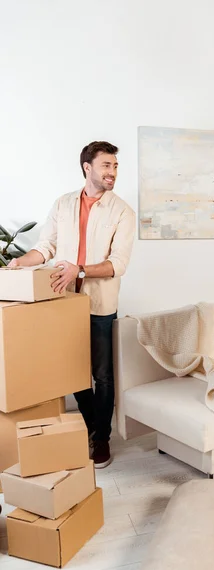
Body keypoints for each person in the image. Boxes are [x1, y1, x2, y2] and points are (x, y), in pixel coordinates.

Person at [9, 141, 135, 468]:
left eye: (115, 166)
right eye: (106, 166)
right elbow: (45, 247)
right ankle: (93, 427)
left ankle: (102, 440)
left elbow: (118, 264)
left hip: (100, 306)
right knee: (73, 374)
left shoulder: (122, 211)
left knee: (102, 375)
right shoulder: (63, 204)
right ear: (87, 168)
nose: (112, 173)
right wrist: (20, 263)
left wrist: (80, 270)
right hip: (64, 303)